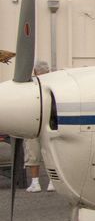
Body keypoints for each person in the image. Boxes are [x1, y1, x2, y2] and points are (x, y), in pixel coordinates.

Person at [24, 61, 50, 192]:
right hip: (49, 124)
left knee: (33, 153)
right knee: (50, 153)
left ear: (34, 71)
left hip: (34, 124)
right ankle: (51, 182)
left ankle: (36, 183)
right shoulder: (53, 84)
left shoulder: (30, 85)